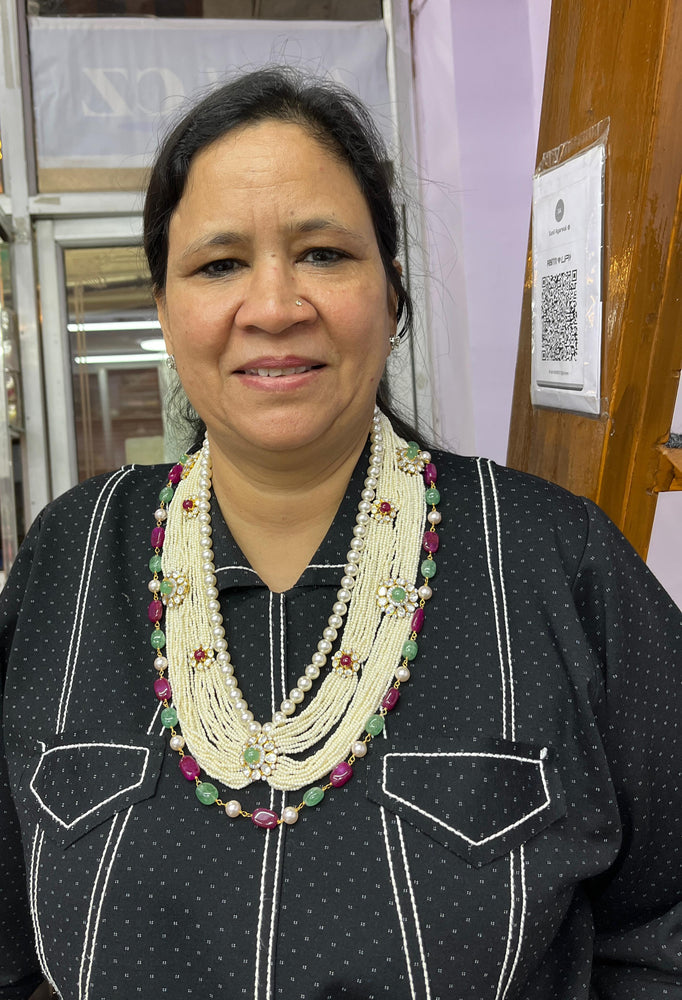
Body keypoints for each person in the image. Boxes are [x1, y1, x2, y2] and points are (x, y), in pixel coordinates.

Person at [1, 67, 681, 1000]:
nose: (275, 306)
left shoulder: (555, 559)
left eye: (323, 253)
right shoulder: (70, 563)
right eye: (219, 264)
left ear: (392, 294)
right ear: (164, 308)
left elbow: (666, 925)